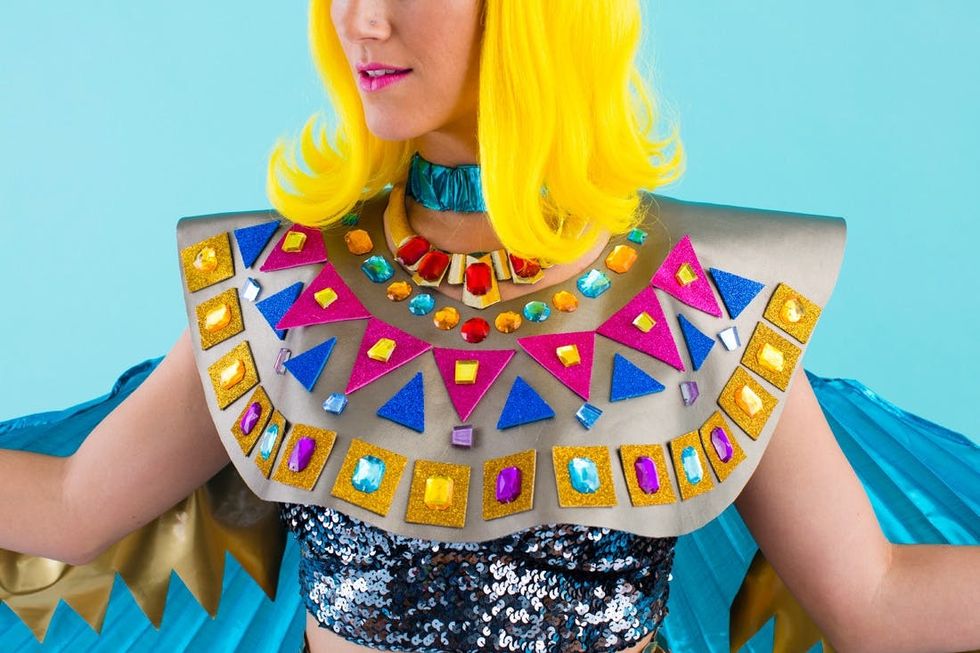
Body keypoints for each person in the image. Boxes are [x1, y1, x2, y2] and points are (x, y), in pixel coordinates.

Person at [1, 2, 979, 652]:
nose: (362, 20)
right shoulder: (280, 285)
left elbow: (874, 598)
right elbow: (75, 507)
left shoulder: (699, 295)